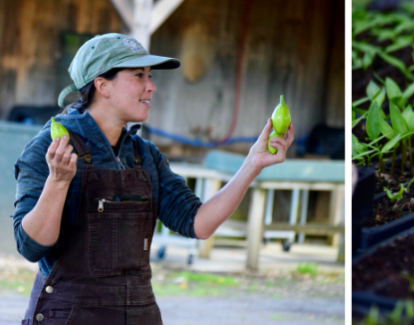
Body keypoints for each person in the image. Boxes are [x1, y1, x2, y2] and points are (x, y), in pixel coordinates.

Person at [11, 33, 294, 324]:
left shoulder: (145, 155)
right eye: (138, 75)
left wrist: (252, 164)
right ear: (102, 84)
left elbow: (198, 223)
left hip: (139, 315)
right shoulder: (51, 149)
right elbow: (31, 247)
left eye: (150, 75)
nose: (152, 86)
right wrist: (57, 182)